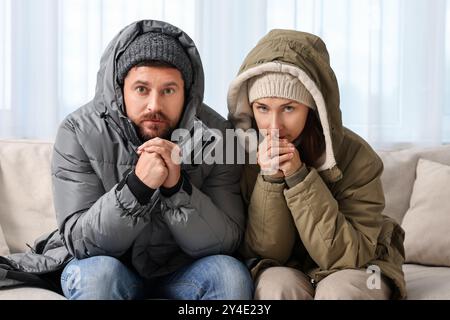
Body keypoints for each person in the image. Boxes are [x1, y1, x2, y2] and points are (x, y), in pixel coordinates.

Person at [0, 20, 253, 300]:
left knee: (229, 275)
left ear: (187, 92)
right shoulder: (78, 131)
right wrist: (137, 188)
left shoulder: (217, 135)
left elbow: (227, 240)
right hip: (108, 264)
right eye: (142, 89)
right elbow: (81, 241)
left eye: (168, 90)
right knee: (99, 277)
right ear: (121, 89)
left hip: (184, 269)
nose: (154, 105)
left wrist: (176, 189)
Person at [227, 29, 406, 300]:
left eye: (289, 108)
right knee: (276, 287)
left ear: (312, 108)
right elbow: (267, 253)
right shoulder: (243, 154)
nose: (273, 127)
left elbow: (347, 255)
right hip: (288, 265)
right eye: (262, 108)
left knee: (340, 292)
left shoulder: (359, 156)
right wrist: (271, 178)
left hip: (365, 265)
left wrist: (299, 177)